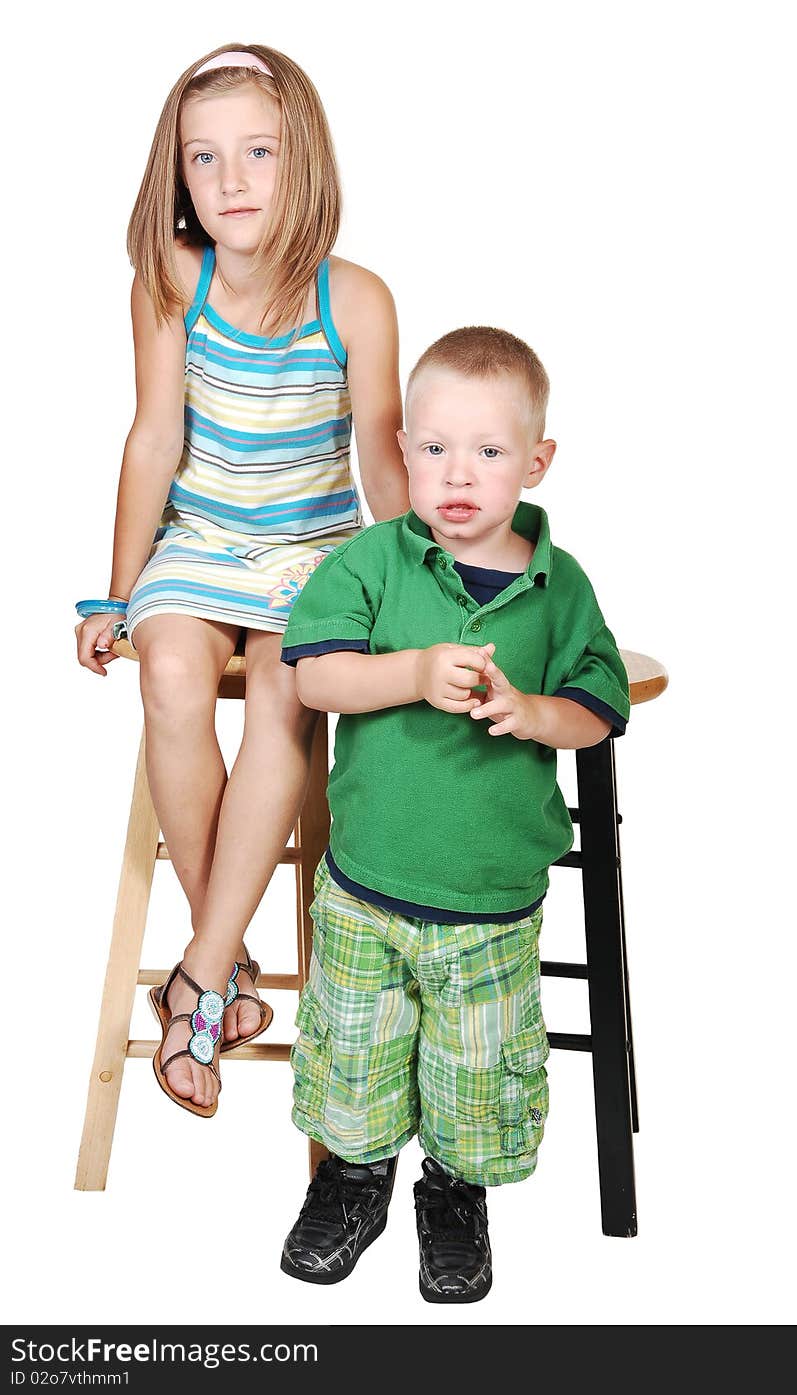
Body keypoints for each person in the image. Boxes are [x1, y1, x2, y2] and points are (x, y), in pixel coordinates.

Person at [73, 43, 408, 1119]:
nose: (229, 182)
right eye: (203, 158)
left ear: (301, 158)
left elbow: (383, 461)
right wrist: (115, 595)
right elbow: (152, 439)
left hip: (317, 553)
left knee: (284, 688)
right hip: (203, 543)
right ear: (177, 176)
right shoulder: (171, 280)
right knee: (169, 674)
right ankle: (224, 963)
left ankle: (199, 981)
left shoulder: (354, 299)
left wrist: (418, 596)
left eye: (257, 152)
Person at [277, 326, 631, 1301]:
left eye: (487, 451)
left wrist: (534, 713)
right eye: (433, 448)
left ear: (535, 460)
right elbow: (315, 679)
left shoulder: (557, 592)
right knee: (355, 1046)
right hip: (369, 884)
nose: (457, 474)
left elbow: (599, 708)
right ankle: (353, 1181)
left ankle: (455, 1190)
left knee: (477, 1065)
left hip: (488, 900)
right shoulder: (372, 564)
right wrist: (415, 672)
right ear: (403, 453)